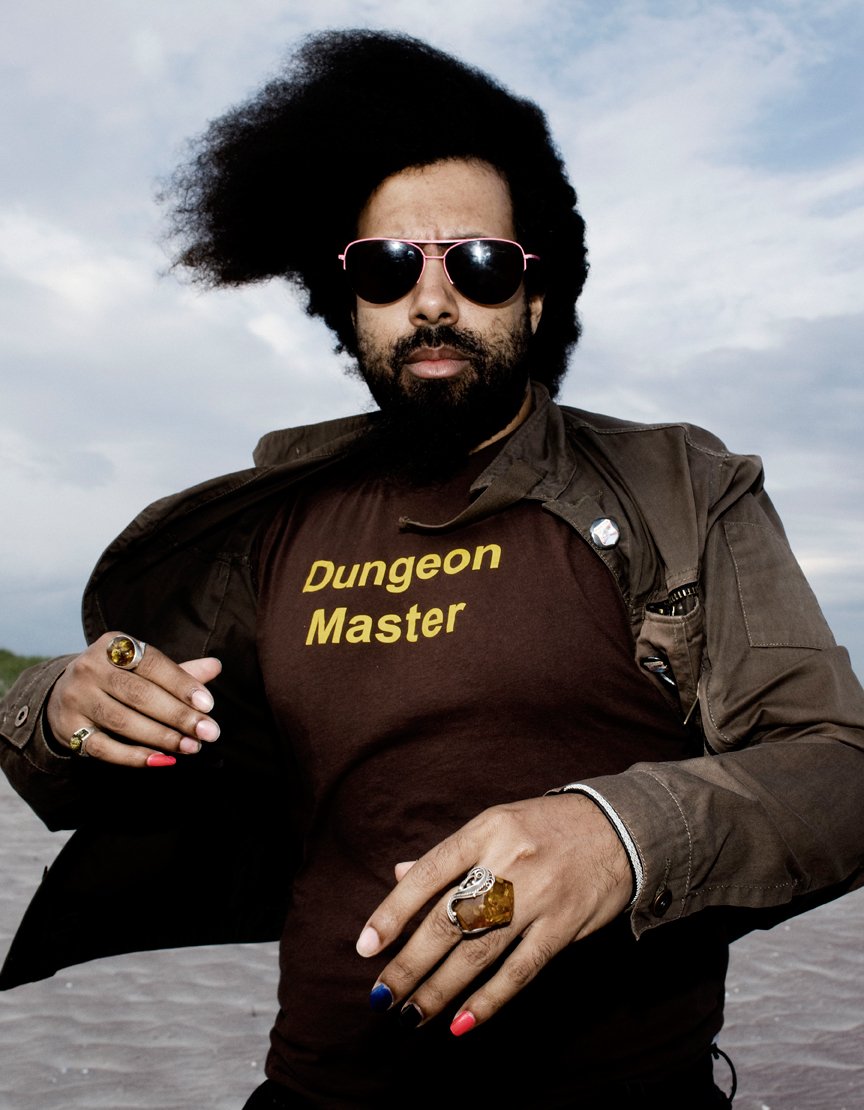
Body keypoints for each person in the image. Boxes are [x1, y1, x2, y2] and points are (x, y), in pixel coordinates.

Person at [1, 29, 862, 1110]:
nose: (434, 301)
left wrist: (619, 836)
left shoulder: (683, 488)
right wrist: (59, 702)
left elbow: (840, 771)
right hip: (318, 1093)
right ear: (350, 302)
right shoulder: (267, 525)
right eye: (390, 266)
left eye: (482, 264)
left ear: (537, 296)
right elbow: (98, 750)